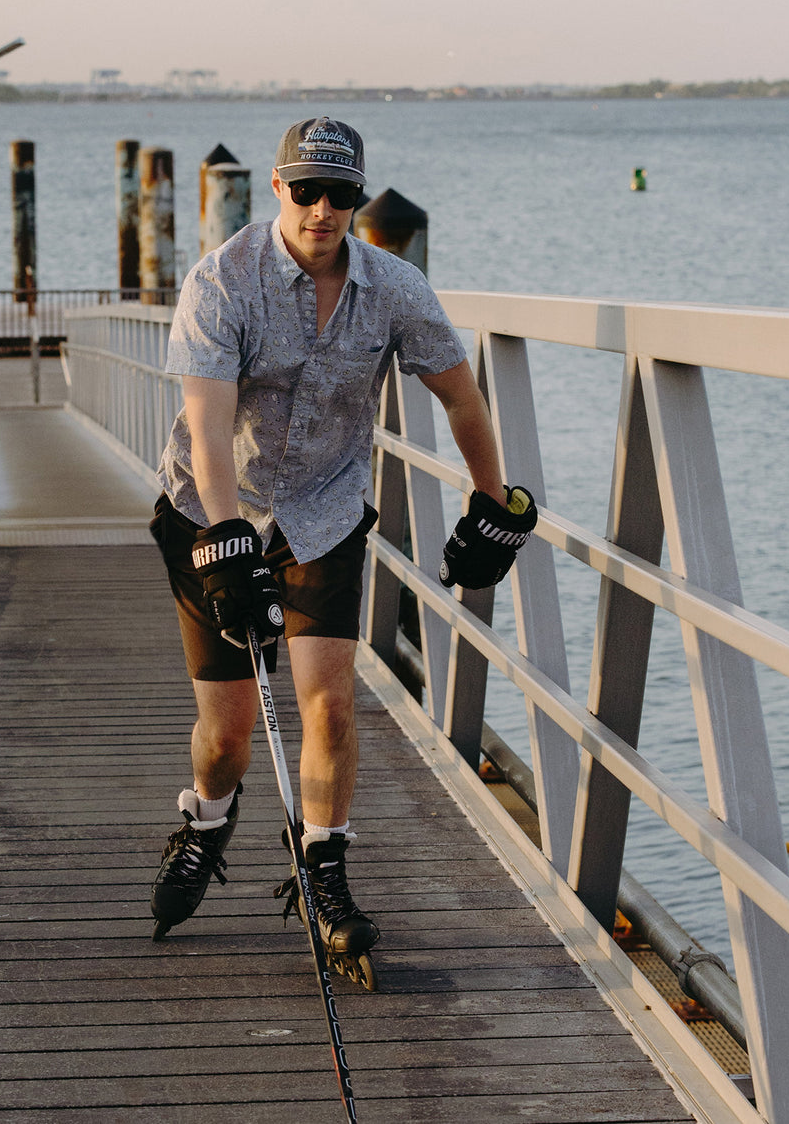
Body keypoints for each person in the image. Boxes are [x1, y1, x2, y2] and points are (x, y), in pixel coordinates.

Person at [147, 116, 537, 983]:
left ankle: (323, 872)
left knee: (327, 704)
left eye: (342, 195)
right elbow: (207, 425)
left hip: (323, 511)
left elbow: (461, 398)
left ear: (358, 201)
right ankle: (206, 823)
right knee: (230, 728)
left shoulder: (394, 287)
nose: (323, 210)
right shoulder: (222, 282)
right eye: (307, 190)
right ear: (278, 189)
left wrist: (493, 500)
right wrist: (226, 542)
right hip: (212, 511)